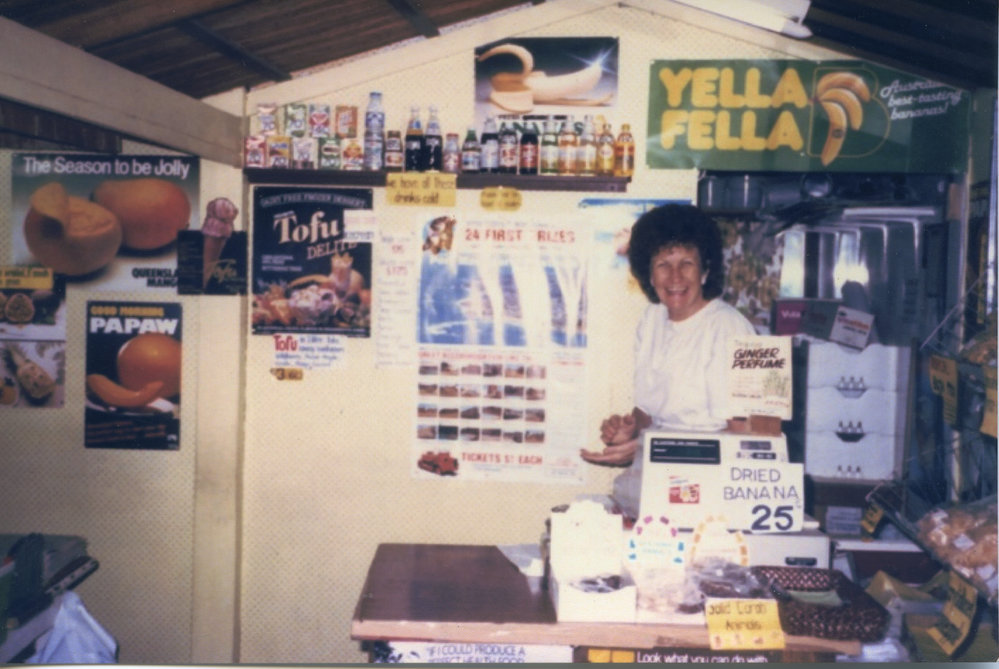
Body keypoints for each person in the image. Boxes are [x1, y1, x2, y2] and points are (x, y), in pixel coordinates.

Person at [579, 203, 755, 516]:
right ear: (649, 273)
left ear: (705, 270)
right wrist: (629, 431)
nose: (675, 276)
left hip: (710, 496)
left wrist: (650, 447)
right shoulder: (652, 319)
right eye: (663, 264)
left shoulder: (731, 328)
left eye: (687, 262)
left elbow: (748, 438)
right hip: (657, 485)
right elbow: (648, 414)